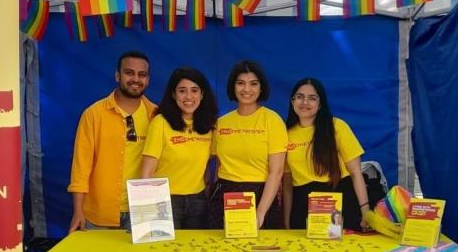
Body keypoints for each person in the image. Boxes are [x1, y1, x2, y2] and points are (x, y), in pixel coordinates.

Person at [67, 51, 156, 232]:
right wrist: (77, 211)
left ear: (148, 80)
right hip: (98, 215)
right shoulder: (93, 114)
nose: (135, 79)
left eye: (142, 74)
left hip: (144, 212)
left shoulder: (157, 116)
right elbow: (81, 167)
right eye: (129, 73)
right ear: (117, 75)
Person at [283, 77, 370, 232]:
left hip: (339, 202)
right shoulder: (284, 134)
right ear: (292, 101)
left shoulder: (337, 127)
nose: (305, 102)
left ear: (320, 104)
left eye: (312, 98)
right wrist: (286, 220)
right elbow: (288, 184)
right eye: (300, 97)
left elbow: (356, 173)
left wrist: (365, 212)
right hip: (302, 205)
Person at [208, 60, 287, 229]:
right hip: (224, 196)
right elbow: (218, 167)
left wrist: (260, 211)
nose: (246, 89)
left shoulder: (272, 120)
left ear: (261, 87)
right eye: (240, 83)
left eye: (253, 84)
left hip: (260, 195)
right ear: (233, 86)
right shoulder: (221, 123)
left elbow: (277, 171)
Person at [140, 67, 217, 229]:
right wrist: (146, 214)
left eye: (194, 90)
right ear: (173, 94)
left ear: (202, 95)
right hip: (164, 201)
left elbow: (207, 170)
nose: (189, 97)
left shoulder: (209, 126)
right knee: (164, 251)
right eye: (182, 91)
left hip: (198, 201)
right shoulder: (160, 122)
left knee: (193, 251)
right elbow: (146, 173)